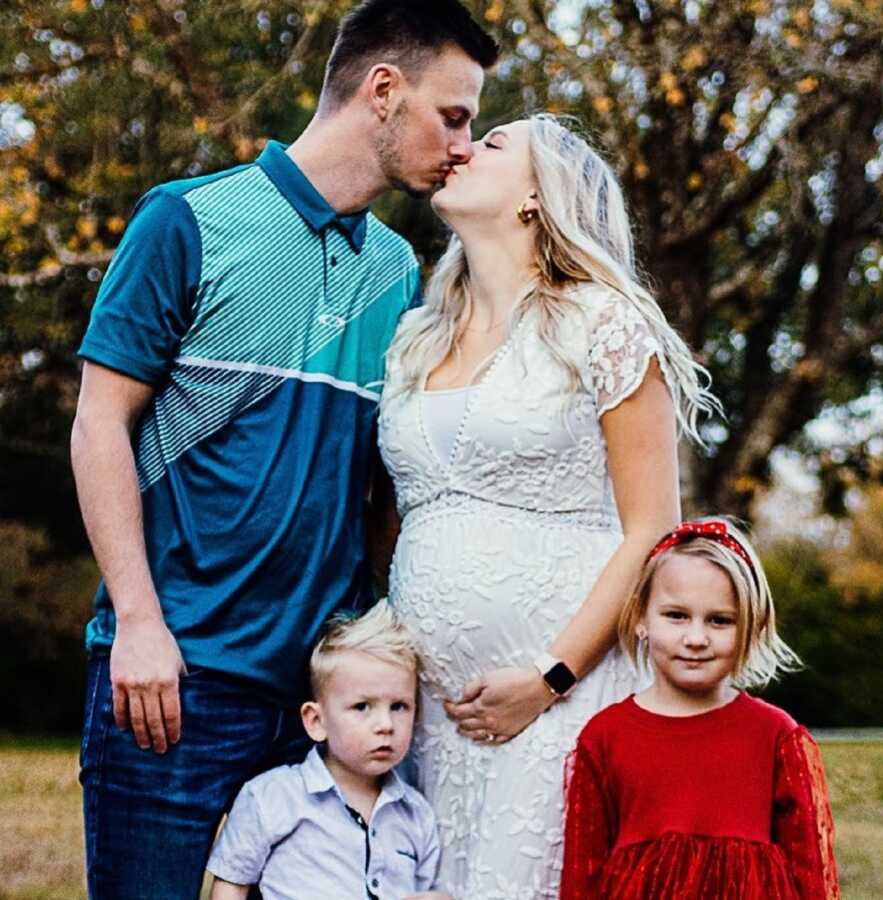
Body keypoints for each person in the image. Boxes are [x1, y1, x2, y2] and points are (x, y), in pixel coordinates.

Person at [71, 2, 497, 896]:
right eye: (453, 116)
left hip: (329, 695)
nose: (464, 144)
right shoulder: (189, 219)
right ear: (384, 90)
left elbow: (379, 484)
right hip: (177, 682)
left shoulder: (395, 271)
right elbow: (99, 424)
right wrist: (140, 627)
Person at [377, 114, 721, 897]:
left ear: (538, 195)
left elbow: (652, 532)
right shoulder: (414, 338)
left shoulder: (603, 324)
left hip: (560, 698)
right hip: (431, 711)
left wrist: (550, 674)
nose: (461, 148)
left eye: (492, 143)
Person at [560, 518, 840, 900]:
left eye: (719, 621)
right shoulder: (604, 737)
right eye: (676, 616)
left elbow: (811, 872)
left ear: (751, 629)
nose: (696, 638)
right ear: (641, 618)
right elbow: (582, 875)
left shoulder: (776, 735)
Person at [207, 600, 450, 900]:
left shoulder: (416, 814)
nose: (385, 724)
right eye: (362, 707)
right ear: (316, 721)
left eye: (399, 706)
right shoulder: (273, 796)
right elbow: (231, 885)